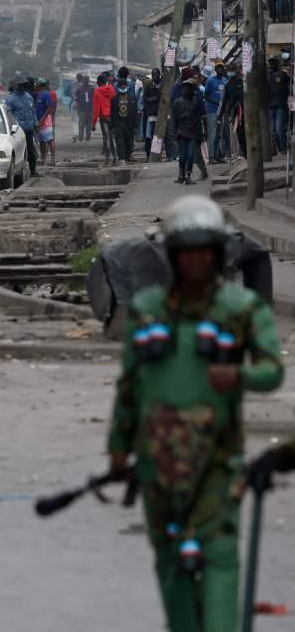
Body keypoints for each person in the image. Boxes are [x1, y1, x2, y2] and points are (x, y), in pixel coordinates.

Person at [106, 194, 283, 632]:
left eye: (205, 252)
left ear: (219, 254)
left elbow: (272, 369)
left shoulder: (240, 311)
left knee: (220, 557)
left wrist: (239, 376)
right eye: (187, 254)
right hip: (157, 463)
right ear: (172, 256)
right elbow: (130, 385)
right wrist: (117, 448)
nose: (196, 263)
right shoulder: (148, 311)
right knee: (170, 563)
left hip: (217, 463)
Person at [170, 80, 205, 185]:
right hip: (181, 132)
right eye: (185, 88)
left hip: (193, 132)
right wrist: (173, 134)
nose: (187, 90)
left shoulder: (196, 102)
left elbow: (199, 119)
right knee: (183, 155)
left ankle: (188, 175)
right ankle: (181, 175)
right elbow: (174, 119)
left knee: (190, 155)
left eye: (189, 88)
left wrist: (202, 134)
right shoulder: (177, 102)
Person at [6, 81, 38, 177]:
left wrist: (36, 123)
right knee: (19, 152)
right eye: (20, 85)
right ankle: (18, 172)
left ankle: (33, 171)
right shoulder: (10, 99)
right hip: (18, 131)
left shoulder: (28, 97)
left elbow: (33, 111)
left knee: (31, 151)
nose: (22, 87)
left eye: (24, 85)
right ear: (15, 85)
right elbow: (9, 115)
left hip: (29, 129)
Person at [109, 70, 138, 165]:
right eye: (121, 86)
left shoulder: (132, 98)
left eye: (124, 86)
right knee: (120, 141)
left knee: (129, 140)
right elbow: (112, 113)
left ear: (127, 86)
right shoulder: (114, 99)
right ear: (118, 87)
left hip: (129, 122)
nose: (123, 87)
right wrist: (112, 126)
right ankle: (121, 158)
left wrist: (135, 125)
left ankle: (127, 156)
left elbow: (134, 112)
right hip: (119, 123)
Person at [203, 63, 227, 163]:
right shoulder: (210, 80)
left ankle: (218, 156)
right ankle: (211, 157)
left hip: (222, 111)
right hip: (212, 110)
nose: (220, 69)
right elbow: (206, 95)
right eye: (218, 68)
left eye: (222, 68)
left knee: (219, 134)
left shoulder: (225, 81)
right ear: (215, 70)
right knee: (212, 133)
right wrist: (215, 102)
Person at [220, 64, 243, 160]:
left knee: (241, 133)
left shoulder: (241, 82)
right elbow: (224, 100)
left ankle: (241, 153)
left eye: (232, 70)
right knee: (233, 133)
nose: (230, 72)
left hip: (241, 110)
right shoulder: (227, 85)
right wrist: (221, 113)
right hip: (232, 112)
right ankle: (235, 153)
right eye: (229, 70)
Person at [267, 57, 290, 154]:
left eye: (273, 63)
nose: (271, 65)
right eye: (270, 63)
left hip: (281, 105)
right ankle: (280, 149)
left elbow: (288, 87)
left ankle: (283, 148)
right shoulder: (267, 76)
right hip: (271, 106)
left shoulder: (283, 75)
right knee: (273, 132)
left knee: (279, 129)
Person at [92, 74, 117, 163]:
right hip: (112, 116)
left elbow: (96, 108)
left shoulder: (97, 91)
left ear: (98, 82)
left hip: (103, 117)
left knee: (106, 137)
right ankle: (115, 157)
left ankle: (107, 159)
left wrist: (93, 123)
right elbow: (115, 102)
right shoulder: (111, 88)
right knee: (112, 137)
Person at [34, 78, 57, 167]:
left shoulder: (46, 94)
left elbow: (49, 108)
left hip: (45, 120)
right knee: (42, 141)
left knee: (50, 140)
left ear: (40, 85)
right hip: (39, 121)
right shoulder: (38, 95)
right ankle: (43, 159)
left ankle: (53, 159)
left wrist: (42, 119)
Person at [143, 69, 162, 158]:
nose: (155, 77)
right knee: (151, 135)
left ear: (159, 75)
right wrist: (156, 97)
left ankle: (157, 154)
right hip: (151, 114)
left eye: (156, 75)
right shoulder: (148, 86)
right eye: (153, 75)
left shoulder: (163, 85)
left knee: (159, 135)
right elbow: (145, 100)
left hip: (161, 114)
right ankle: (150, 154)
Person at [74, 73, 94, 142]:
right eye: (85, 79)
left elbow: (95, 99)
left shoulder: (92, 88)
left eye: (87, 79)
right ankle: (81, 138)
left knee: (88, 125)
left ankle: (87, 138)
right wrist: (78, 108)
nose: (86, 81)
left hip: (89, 110)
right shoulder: (80, 89)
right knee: (82, 125)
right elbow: (76, 99)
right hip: (83, 110)